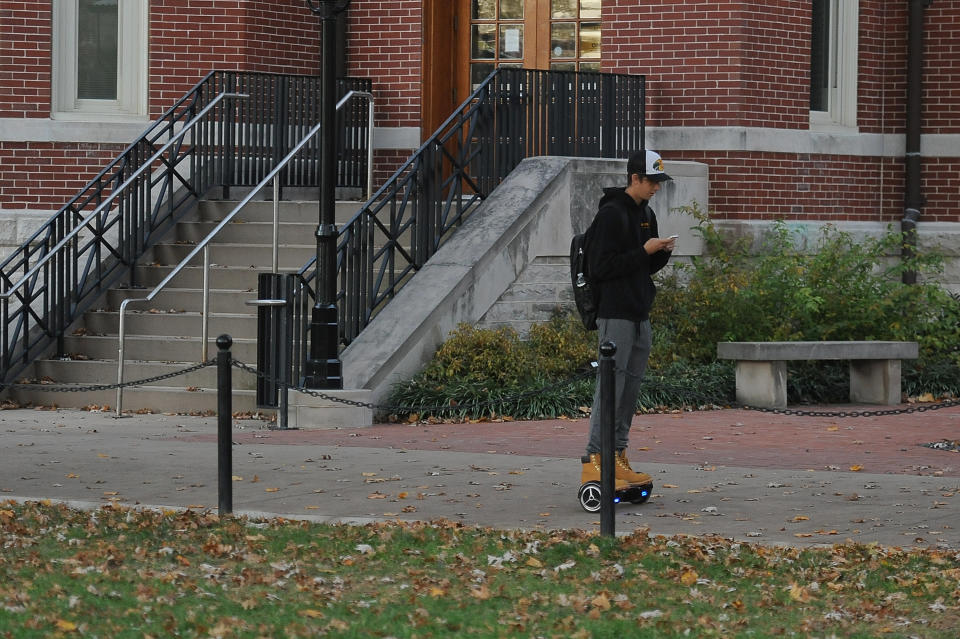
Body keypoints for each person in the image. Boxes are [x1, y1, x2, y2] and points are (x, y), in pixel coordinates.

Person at [580, 149, 675, 490]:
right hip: (615, 312)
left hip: (639, 311)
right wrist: (644, 251)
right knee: (610, 387)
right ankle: (594, 459)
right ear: (635, 178)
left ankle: (617, 454)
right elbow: (600, 268)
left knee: (630, 388)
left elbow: (642, 266)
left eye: (659, 183)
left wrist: (658, 255)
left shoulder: (646, 213)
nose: (656, 188)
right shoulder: (611, 214)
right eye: (652, 181)